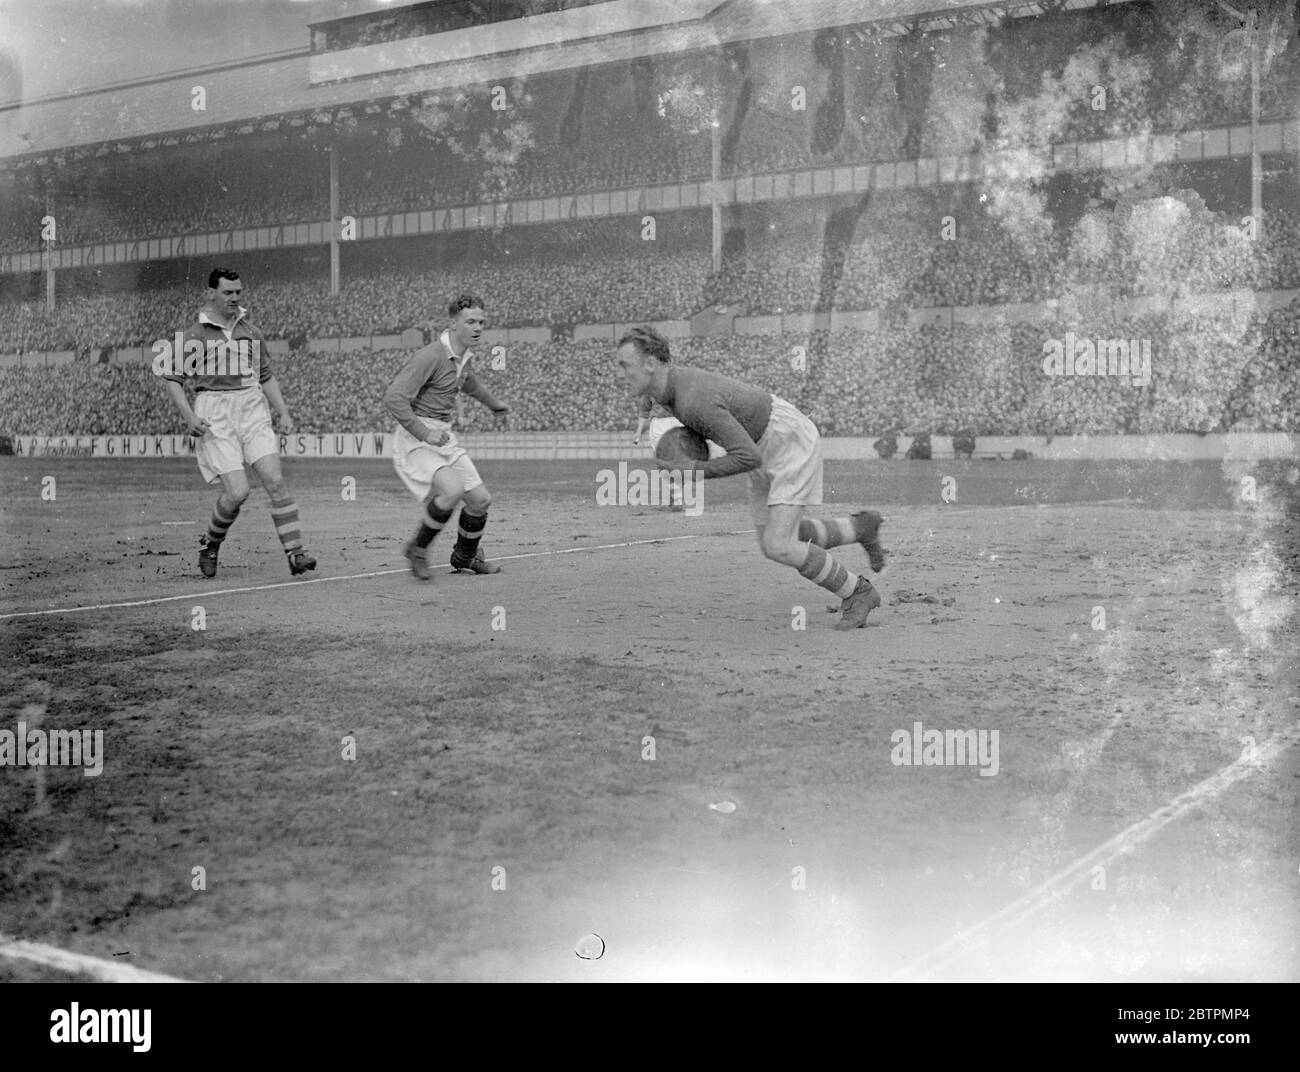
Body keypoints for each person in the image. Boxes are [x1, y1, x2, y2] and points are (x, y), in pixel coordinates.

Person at [614, 325, 885, 630]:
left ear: (651, 363)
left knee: (779, 544)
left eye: (625, 365)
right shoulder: (664, 383)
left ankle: (857, 591)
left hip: (786, 440)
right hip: (763, 439)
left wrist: (692, 471)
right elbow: (651, 397)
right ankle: (860, 527)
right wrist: (643, 416)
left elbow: (747, 458)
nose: (620, 374)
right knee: (777, 538)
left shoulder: (693, 399)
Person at [159, 267, 315, 579]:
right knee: (238, 492)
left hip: (252, 408)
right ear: (211, 294)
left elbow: (266, 376)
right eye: (227, 292)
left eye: (238, 292)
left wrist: (283, 412)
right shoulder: (195, 335)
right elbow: (172, 379)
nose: (234, 298)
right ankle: (211, 543)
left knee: (275, 481)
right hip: (215, 413)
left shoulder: (251, 331)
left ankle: (296, 553)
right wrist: (189, 417)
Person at [384, 294, 510, 580]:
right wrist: (425, 432)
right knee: (452, 490)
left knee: (479, 500)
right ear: (453, 324)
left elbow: (469, 383)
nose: (477, 327)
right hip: (416, 437)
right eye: (470, 322)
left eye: (481, 322)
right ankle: (417, 549)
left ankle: (465, 557)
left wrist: (493, 404)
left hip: (443, 436)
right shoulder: (430, 356)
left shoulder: (463, 356)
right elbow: (393, 399)